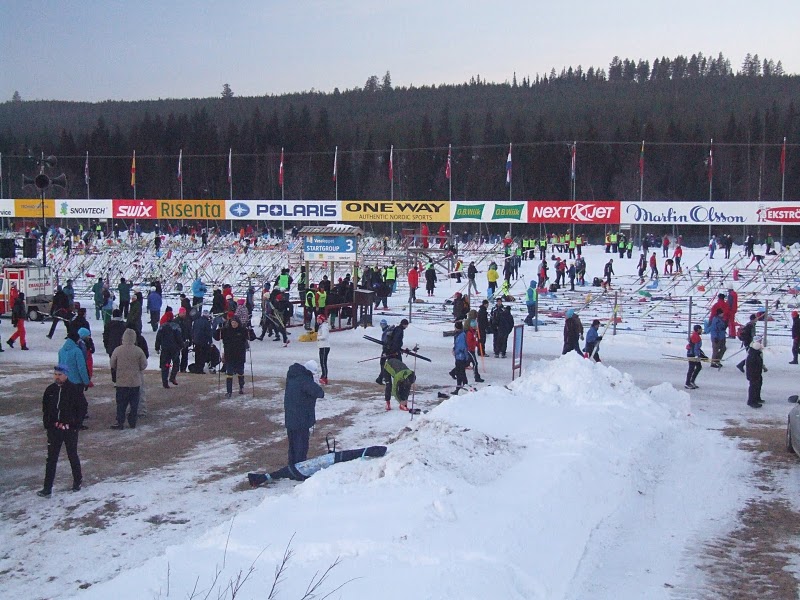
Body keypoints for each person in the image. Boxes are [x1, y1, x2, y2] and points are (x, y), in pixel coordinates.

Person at [37, 364, 88, 497]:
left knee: (72, 455)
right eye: (55, 374)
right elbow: (46, 409)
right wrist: (48, 424)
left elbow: (82, 408)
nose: (57, 377)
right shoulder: (50, 390)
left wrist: (75, 425)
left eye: (60, 374)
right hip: (54, 430)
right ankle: (47, 488)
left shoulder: (74, 390)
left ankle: (77, 481)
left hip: (69, 430)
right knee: (51, 459)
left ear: (66, 375)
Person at [283, 360, 325, 464]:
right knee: (301, 447)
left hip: (290, 416)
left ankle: (292, 466)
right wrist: (315, 382)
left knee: (293, 446)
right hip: (301, 419)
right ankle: (299, 467)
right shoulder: (305, 380)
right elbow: (319, 393)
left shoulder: (293, 376)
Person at [109, 329, 148, 429]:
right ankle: (132, 421)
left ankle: (120, 422)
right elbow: (144, 365)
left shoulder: (118, 350)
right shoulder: (138, 351)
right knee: (134, 404)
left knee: (121, 404)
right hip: (135, 382)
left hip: (121, 382)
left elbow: (112, 364)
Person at [216, 314, 249, 398]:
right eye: (232, 323)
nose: (233, 324)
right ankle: (229, 391)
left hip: (240, 355)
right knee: (229, 373)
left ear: (238, 323)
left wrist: (250, 331)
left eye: (235, 323)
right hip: (229, 355)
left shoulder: (242, 330)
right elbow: (216, 337)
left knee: (240, 372)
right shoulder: (226, 330)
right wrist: (218, 330)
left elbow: (251, 337)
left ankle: (241, 387)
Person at [155, 309, 183, 388]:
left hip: (165, 349)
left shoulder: (162, 327)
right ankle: (172, 377)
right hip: (174, 349)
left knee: (165, 365)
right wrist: (182, 345)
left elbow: (158, 338)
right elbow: (179, 338)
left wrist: (157, 347)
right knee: (176, 363)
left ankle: (165, 381)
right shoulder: (176, 326)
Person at [745, 341, 766, 408]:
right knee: (753, 387)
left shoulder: (755, 354)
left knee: (757, 386)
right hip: (754, 374)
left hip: (757, 374)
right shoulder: (754, 356)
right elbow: (752, 367)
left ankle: (757, 398)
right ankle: (752, 401)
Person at [451, 321, 469, 393]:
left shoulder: (461, 336)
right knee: (461, 373)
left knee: (460, 373)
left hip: (460, 357)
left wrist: (456, 351)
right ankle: (463, 386)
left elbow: (461, 347)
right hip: (459, 356)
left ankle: (460, 387)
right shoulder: (459, 335)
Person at [685, 324, 705, 390]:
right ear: (698, 329)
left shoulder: (696, 335)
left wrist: (702, 355)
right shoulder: (696, 336)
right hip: (692, 354)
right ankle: (687, 383)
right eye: (701, 329)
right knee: (691, 368)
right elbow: (695, 348)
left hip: (693, 354)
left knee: (698, 367)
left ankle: (691, 381)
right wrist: (697, 356)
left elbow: (697, 348)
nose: (701, 331)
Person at [317, 314, 330, 384]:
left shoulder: (324, 326)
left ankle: (324, 376)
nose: (318, 321)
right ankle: (323, 375)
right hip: (322, 346)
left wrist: (318, 337)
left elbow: (324, 336)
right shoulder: (321, 326)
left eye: (319, 320)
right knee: (322, 362)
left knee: (323, 362)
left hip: (324, 346)